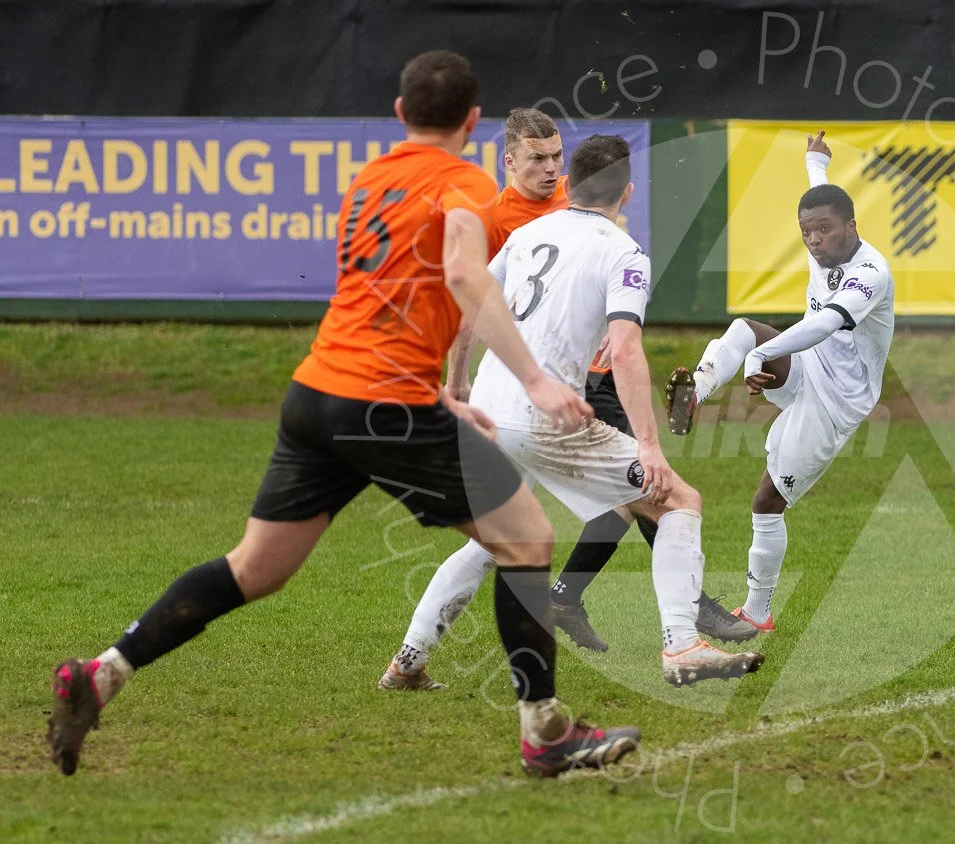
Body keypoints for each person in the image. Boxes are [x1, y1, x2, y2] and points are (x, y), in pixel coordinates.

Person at [46, 51, 638, 779]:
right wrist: (535, 381)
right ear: (474, 121)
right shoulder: (462, 182)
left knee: (255, 567)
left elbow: (378, 295)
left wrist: (442, 390)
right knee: (526, 537)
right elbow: (462, 274)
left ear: (400, 113)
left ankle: (102, 673)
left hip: (318, 392)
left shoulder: (369, 178)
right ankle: (546, 734)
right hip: (384, 402)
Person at [383, 113, 749, 678]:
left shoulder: (528, 235)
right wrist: (649, 445)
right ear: (628, 192)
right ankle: (682, 646)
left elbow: (468, 310)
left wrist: (456, 385)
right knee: (678, 500)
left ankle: (408, 661)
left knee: (492, 542)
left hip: (492, 411)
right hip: (544, 417)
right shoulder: (625, 252)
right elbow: (625, 351)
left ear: (569, 182)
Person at [664, 129, 896, 634]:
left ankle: (758, 612)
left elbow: (827, 323)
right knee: (744, 329)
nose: (814, 240)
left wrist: (765, 354)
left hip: (836, 403)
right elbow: (818, 196)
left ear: (851, 226)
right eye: (806, 232)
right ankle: (695, 395)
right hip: (807, 365)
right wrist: (816, 162)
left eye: (824, 230)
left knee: (767, 502)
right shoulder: (824, 240)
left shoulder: (871, 272)